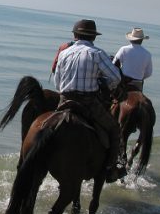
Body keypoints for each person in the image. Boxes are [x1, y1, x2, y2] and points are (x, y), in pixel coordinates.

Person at [53, 19, 126, 182]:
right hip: (88, 102)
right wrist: (104, 83)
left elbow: (57, 83)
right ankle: (111, 169)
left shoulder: (64, 53)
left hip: (64, 101)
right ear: (93, 37)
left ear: (75, 35)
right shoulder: (97, 54)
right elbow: (115, 77)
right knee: (114, 129)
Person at [113, 27, 152, 91]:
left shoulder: (124, 49)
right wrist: (140, 77)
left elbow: (114, 65)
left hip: (124, 82)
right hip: (138, 84)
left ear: (131, 39)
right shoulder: (147, 54)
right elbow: (148, 73)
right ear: (142, 40)